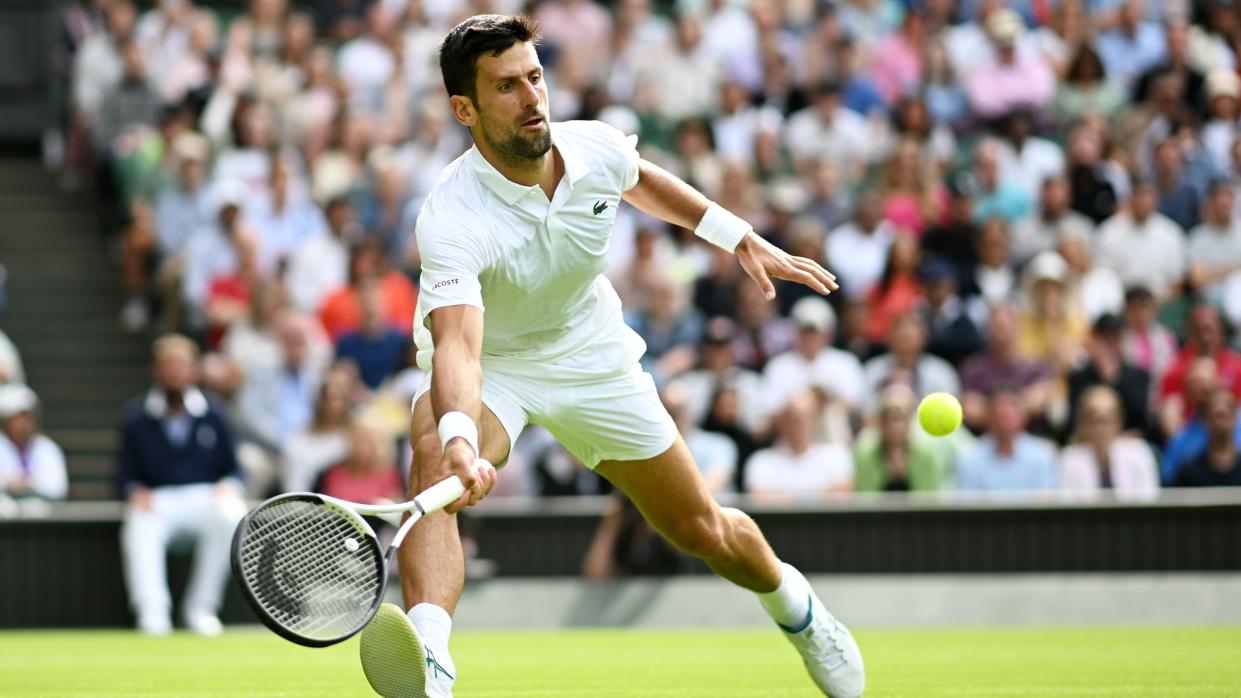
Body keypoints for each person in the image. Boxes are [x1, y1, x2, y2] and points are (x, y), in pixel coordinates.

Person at [358, 16, 863, 698]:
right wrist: (456, 438)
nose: (532, 98)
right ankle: (433, 661)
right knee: (430, 455)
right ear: (464, 109)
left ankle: (798, 612)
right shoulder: (451, 214)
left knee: (699, 528)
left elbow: (642, 179)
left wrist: (736, 235)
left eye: (534, 77)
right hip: (497, 365)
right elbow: (457, 344)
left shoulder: (589, 146)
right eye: (506, 87)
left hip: (592, 354)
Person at [116, 334, 245, 636]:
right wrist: (135, 491)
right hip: (158, 502)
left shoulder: (215, 413)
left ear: (194, 371)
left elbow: (234, 469)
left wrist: (228, 485)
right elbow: (123, 476)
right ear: (156, 370)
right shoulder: (136, 417)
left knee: (230, 514)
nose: (174, 373)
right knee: (138, 522)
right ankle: (153, 613)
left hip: (204, 497)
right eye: (167, 365)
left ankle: (201, 609)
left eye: (181, 365)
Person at [745, 392, 855, 501]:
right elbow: (760, 498)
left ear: (816, 420)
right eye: (795, 418)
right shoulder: (761, 461)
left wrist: (784, 497)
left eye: (808, 417)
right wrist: (821, 495)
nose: (802, 424)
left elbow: (842, 493)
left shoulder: (837, 455)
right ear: (782, 422)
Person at [1060, 386, 1160, 500]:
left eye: (1106, 420)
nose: (1100, 428)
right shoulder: (1069, 459)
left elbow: (1150, 501)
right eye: (1093, 419)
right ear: (1082, 423)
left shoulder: (1139, 453)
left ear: (1118, 421)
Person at [956, 390, 1059, 493]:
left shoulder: (1043, 454)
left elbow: (1047, 500)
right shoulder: (969, 458)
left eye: (1009, 414)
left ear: (1023, 416)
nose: (1003, 421)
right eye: (998, 414)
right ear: (988, 417)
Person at [852, 385, 949, 492]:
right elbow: (866, 499)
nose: (895, 426)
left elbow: (929, 499)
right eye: (889, 418)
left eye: (900, 418)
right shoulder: (865, 455)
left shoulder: (926, 456)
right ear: (881, 422)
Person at [0, 385, 68, 501]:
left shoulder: (48, 448)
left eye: (27, 418)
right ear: (7, 421)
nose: (23, 424)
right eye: (17, 418)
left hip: (42, 511)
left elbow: (59, 488)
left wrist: (29, 484)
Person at [1175, 388, 1241, 487]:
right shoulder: (1189, 471)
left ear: (1235, 418)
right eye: (1216, 416)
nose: (1221, 423)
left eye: (1225, 415)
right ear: (1205, 420)